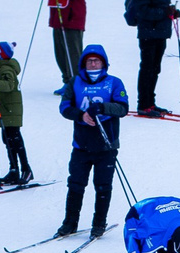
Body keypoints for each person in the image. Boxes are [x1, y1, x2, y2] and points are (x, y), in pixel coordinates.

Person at [56, 43, 130, 237]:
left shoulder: (114, 82)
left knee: (103, 186)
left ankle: (99, 223)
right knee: (76, 184)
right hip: (81, 144)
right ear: (84, 63)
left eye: (97, 61)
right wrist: (80, 116)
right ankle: (69, 223)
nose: (93, 64)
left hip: (107, 145)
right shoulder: (75, 82)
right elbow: (64, 107)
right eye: (90, 61)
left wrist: (102, 108)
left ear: (103, 63)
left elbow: (123, 108)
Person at [124, 0, 179, 115]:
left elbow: (161, 8)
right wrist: (164, 13)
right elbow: (143, 12)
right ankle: (144, 104)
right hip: (148, 33)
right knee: (147, 69)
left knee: (155, 69)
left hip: (161, 33)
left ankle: (151, 103)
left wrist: (172, 13)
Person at [40, 0, 89, 86]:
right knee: (61, 54)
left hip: (73, 20)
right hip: (58, 19)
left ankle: (77, 83)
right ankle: (67, 81)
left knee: (73, 54)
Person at [0, 39, 32, 187]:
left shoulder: (6, 69)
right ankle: (13, 169)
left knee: (15, 139)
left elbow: (9, 85)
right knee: (8, 140)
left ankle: (26, 169)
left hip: (10, 110)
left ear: (2, 54)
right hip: (5, 109)